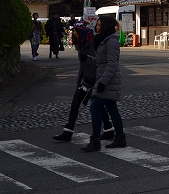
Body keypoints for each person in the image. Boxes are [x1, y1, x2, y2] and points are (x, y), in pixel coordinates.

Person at [53, 22, 115, 142]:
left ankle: (69, 131)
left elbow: (95, 63)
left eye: (76, 31)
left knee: (83, 104)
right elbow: (83, 66)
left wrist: (89, 80)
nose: (74, 33)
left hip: (91, 79)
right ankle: (108, 129)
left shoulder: (91, 44)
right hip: (84, 78)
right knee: (95, 105)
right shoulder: (81, 44)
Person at [81, 16, 126, 152]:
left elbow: (112, 64)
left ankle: (95, 141)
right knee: (112, 109)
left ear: (106, 26)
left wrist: (102, 83)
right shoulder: (104, 39)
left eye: (100, 24)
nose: (97, 27)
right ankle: (120, 138)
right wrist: (88, 59)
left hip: (108, 80)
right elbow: (102, 62)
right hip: (105, 79)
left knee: (94, 108)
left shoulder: (111, 41)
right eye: (97, 24)